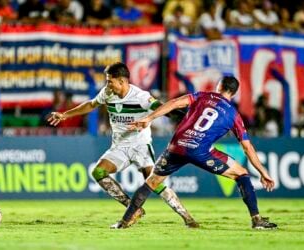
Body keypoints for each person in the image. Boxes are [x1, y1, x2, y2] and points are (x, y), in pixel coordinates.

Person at [112, 76, 278, 230]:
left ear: (218, 86)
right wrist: (263, 172)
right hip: (200, 152)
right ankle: (256, 219)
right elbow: (247, 148)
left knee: (152, 182)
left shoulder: (202, 96)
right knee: (241, 174)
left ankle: (124, 221)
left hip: (176, 147)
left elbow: (175, 103)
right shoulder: (234, 115)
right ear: (233, 93)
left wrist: (149, 119)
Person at [48, 62, 198, 228]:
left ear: (122, 81)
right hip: (119, 147)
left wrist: (183, 118)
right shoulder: (107, 93)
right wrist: (64, 115)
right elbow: (91, 104)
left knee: (155, 183)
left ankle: (187, 217)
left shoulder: (141, 97)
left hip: (140, 145)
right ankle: (133, 209)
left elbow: (163, 108)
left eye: (110, 81)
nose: (107, 85)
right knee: (98, 172)